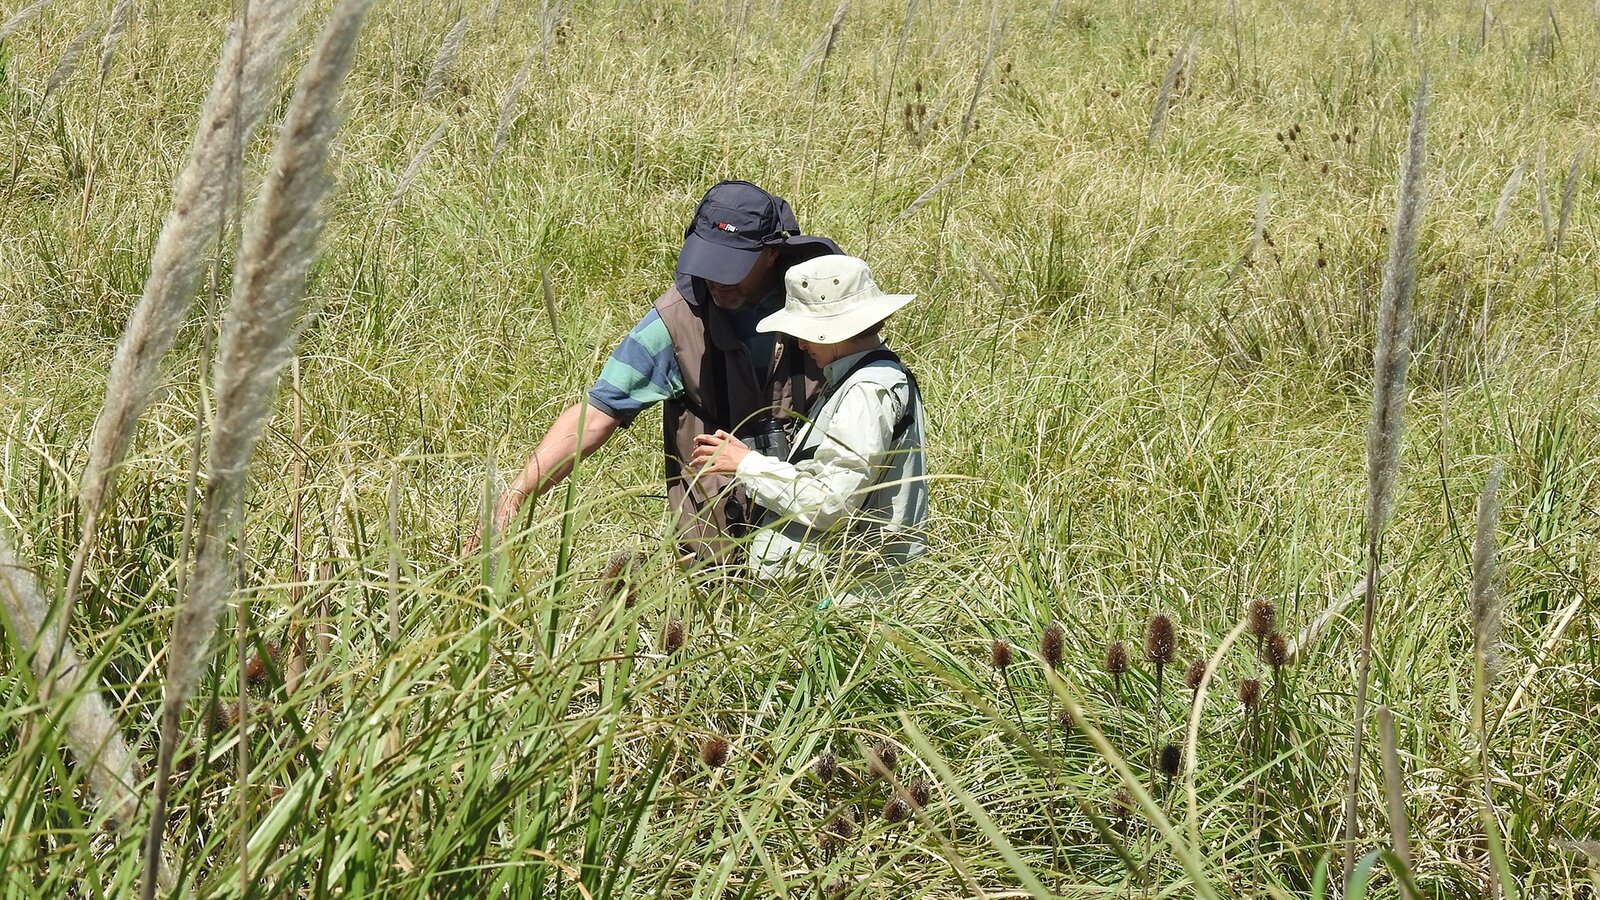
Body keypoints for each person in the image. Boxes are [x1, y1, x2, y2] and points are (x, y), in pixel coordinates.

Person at [469, 180, 841, 562]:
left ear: (771, 254)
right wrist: (513, 497)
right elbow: (597, 414)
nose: (717, 281)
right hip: (719, 537)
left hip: (819, 529)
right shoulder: (677, 321)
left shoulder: (822, 300)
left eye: (733, 267)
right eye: (709, 262)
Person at [689, 255, 928, 597]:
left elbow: (833, 502)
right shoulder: (864, 378)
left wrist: (748, 466)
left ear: (833, 330)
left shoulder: (865, 391)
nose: (800, 345)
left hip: (846, 601)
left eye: (806, 333)